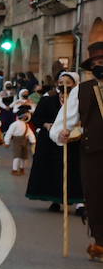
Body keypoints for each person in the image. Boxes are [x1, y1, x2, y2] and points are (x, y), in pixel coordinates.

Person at [51, 42, 103, 261]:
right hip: (94, 153)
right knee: (97, 198)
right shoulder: (81, 91)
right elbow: (62, 123)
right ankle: (101, 242)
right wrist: (61, 134)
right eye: (98, 63)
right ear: (92, 66)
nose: (101, 66)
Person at [27, 73, 84, 212]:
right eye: (61, 82)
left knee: (76, 172)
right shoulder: (48, 101)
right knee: (54, 171)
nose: (63, 85)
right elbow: (36, 119)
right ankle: (55, 199)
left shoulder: (81, 102)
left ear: (75, 84)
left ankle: (80, 203)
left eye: (67, 82)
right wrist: (47, 125)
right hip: (51, 143)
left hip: (74, 143)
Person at [4, 108, 33, 175]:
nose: (27, 117)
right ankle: (14, 169)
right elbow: (9, 133)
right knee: (17, 156)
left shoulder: (26, 125)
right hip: (17, 141)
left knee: (24, 156)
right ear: (23, 116)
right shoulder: (14, 124)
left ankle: (21, 168)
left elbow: (29, 133)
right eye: (26, 115)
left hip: (24, 141)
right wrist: (7, 142)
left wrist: (33, 140)